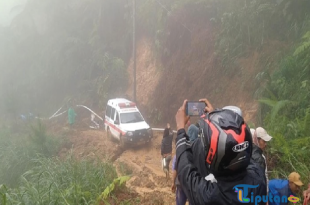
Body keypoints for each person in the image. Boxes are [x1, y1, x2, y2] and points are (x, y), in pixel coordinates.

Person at [175, 99, 267, 205]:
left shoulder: (210, 196)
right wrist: (215, 121)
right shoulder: (259, 178)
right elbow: (244, 150)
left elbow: (185, 170)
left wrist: (180, 128)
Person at [171, 124, 198, 205]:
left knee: (180, 202)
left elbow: (176, 168)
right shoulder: (199, 149)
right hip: (193, 184)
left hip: (181, 182)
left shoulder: (182, 149)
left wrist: (173, 182)